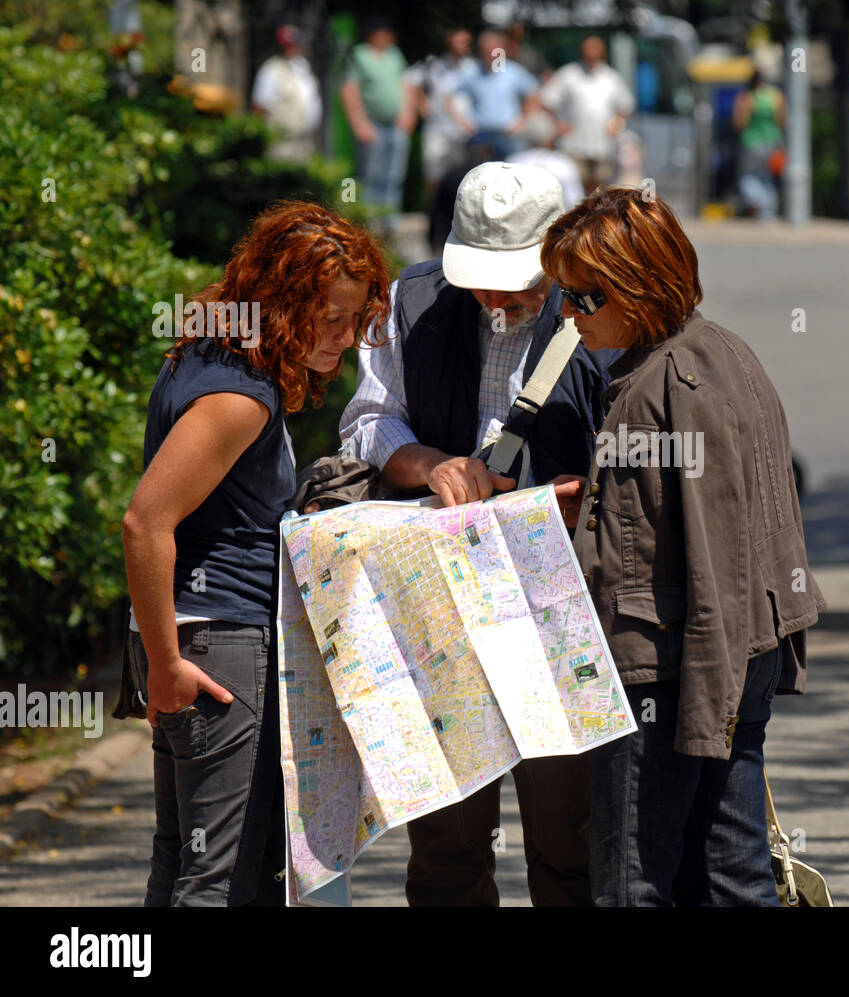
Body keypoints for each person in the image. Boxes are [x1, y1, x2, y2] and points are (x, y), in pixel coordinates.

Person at [540, 187, 825, 906]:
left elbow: (719, 552)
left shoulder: (672, 381)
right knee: (730, 875)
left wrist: (708, 707)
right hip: (722, 657)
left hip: (674, 668)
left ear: (637, 288)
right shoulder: (716, 348)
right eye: (562, 296)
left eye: (583, 297)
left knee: (634, 880)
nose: (568, 316)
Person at [339, 162, 614, 906]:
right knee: (446, 846)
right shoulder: (415, 299)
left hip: (559, 604)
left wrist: (587, 498)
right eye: (480, 279)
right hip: (439, 606)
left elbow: (641, 450)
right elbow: (366, 420)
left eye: (513, 281)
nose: (494, 298)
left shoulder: (602, 309)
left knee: (573, 844)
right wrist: (430, 464)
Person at [121, 202, 392, 906]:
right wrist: (165, 663)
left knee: (184, 860)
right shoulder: (241, 395)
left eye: (355, 322)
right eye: (328, 318)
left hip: (196, 638)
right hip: (219, 643)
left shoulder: (211, 348)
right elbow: (145, 522)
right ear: (282, 301)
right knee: (227, 878)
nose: (343, 340)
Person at [340, 18, 419, 224]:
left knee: (394, 175)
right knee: (371, 176)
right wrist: (359, 123)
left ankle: (390, 222)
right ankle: (370, 222)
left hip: (396, 125)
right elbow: (350, 90)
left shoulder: (394, 55)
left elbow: (405, 85)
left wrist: (408, 113)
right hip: (372, 125)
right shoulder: (360, 54)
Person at [540, 36, 635, 194]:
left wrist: (617, 124)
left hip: (603, 144)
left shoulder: (611, 77)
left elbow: (626, 106)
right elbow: (547, 100)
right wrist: (558, 124)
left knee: (599, 187)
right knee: (575, 185)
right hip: (574, 143)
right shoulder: (568, 74)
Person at [405, 28, 475, 212]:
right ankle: (434, 213)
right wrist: (422, 106)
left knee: (462, 177)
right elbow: (410, 82)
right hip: (438, 129)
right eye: (458, 41)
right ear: (449, 41)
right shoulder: (433, 65)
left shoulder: (473, 67)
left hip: (465, 132)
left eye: (465, 41)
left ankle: (458, 214)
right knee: (434, 175)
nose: (461, 45)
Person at [448, 31, 540, 161]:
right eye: (486, 50)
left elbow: (534, 94)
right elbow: (449, 96)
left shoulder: (513, 72)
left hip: (508, 135)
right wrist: (462, 122)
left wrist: (522, 121)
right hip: (481, 136)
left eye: (493, 50)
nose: (490, 54)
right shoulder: (471, 73)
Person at [250, 25, 322, 163]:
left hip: (305, 140)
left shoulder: (304, 68)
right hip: (281, 142)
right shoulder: (271, 70)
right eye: (289, 46)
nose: (293, 49)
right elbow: (259, 107)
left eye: (296, 45)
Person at [732, 71, 786, 221]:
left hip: (751, 142)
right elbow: (782, 121)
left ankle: (757, 203)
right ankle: (768, 213)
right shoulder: (776, 96)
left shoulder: (746, 97)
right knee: (767, 178)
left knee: (747, 176)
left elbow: (739, 123)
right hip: (773, 143)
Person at [508, 110, 585, 208]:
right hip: (558, 221)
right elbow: (575, 201)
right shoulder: (563, 163)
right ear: (550, 136)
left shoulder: (512, 162)